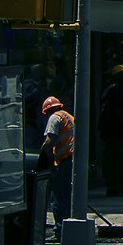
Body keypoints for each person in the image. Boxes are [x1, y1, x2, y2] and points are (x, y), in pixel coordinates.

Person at [98, 65, 123, 197]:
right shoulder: (117, 90)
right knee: (120, 160)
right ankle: (119, 186)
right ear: (118, 76)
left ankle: (113, 186)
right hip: (117, 133)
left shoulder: (108, 90)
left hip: (109, 132)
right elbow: (120, 112)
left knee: (112, 160)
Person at [38, 95, 75, 231]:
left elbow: (50, 140)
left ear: (47, 111)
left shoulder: (54, 117)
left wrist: (40, 155)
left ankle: (60, 228)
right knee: (67, 195)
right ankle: (68, 225)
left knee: (58, 196)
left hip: (66, 160)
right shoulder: (68, 116)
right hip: (73, 160)